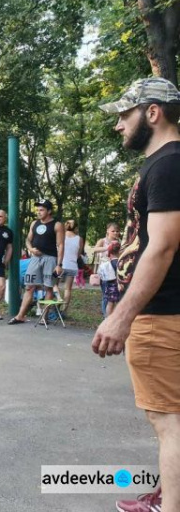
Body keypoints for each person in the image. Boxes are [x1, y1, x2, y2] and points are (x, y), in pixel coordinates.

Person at [90, 78, 180, 512]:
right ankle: (168, 493)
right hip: (167, 312)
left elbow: (161, 246)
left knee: (168, 420)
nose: (118, 125)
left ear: (152, 112)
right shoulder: (167, 164)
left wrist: (122, 316)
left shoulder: (167, 165)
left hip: (162, 315)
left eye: (125, 114)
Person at [8, 199, 64, 325]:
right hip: (35, 258)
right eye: (38, 210)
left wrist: (59, 264)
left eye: (42, 210)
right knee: (29, 287)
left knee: (48, 287)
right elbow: (28, 240)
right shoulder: (34, 223)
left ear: (49, 211)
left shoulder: (57, 225)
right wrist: (30, 249)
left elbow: (60, 245)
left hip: (50, 258)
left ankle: (44, 317)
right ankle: (20, 316)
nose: (39, 212)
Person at [92, 222, 121, 315]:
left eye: (117, 231)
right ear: (107, 231)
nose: (115, 233)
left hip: (115, 270)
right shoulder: (103, 241)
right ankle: (106, 316)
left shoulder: (119, 242)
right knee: (106, 295)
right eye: (113, 231)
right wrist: (108, 248)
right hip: (105, 271)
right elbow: (95, 249)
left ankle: (111, 315)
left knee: (113, 296)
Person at [60, 219, 85, 317]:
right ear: (76, 228)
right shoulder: (79, 239)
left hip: (59, 265)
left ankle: (56, 302)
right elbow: (78, 254)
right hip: (72, 266)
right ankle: (64, 311)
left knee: (53, 285)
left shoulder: (61, 236)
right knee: (68, 289)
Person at [98, 241, 120, 316]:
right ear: (119, 251)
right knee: (119, 303)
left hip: (109, 286)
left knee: (110, 303)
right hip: (118, 286)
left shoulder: (106, 264)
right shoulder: (120, 263)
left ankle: (108, 318)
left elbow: (101, 276)